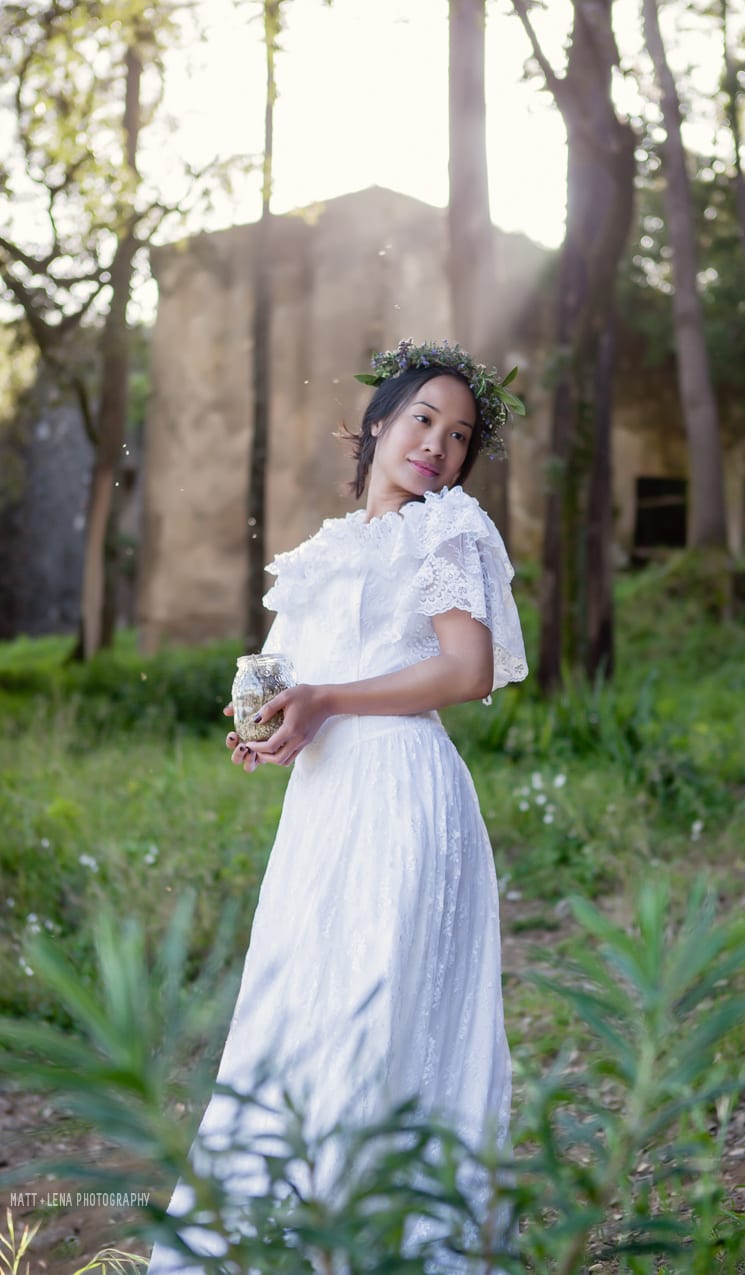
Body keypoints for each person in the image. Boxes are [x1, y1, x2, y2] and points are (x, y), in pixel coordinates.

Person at [146, 339, 528, 1273]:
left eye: (460, 435)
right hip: (324, 808)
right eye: (423, 420)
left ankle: (392, 1240)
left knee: (382, 1005)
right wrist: (275, 724)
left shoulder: (446, 531)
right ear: (378, 423)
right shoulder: (325, 550)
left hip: (404, 793)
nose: (438, 445)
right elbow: (294, 679)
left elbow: (466, 670)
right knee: (301, 1005)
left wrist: (327, 702)